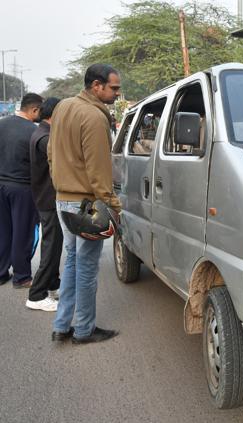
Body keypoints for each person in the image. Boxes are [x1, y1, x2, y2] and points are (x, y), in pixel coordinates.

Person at [49, 64, 122, 344]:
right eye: (113, 88)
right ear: (96, 86)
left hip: (63, 200)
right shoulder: (93, 116)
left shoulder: (64, 107)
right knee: (87, 268)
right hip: (85, 205)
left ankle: (62, 325)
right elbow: (99, 171)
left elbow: (51, 154)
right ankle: (84, 330)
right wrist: (115, 206)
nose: (117, 93)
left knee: (72, 263)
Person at [0, 93, 43, 288]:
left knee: (3, 231)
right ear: (34, 110)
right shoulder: (34, 132)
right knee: (23, 232)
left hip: (1, 185)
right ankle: (22, 276)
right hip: (22, 188)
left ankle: (1, 273)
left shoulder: (2, 123)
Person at [26, 97, 62, 311]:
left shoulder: (43, 133)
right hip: (48, 200)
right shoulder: (44, 137)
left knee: (55, 246)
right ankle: (36, 295)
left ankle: (52, 285)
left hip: (46, 198)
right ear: (54, 114)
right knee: (50, 247)